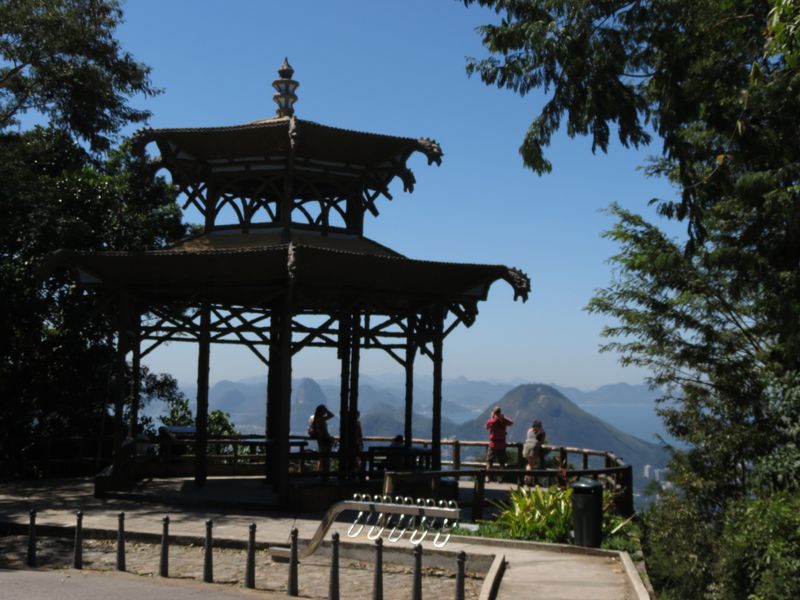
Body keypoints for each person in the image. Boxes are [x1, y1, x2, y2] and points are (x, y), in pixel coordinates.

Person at [484, 406, 513, 479]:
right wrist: (503, 417)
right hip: (501, 444)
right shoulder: (503, 420)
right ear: (500, 412)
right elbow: (511, 423)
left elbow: (486, 427)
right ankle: (500, 477)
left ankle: (488, 476)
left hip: (493, 444)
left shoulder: (492, 420)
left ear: (494, 412)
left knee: (489, 461)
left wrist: (492, 417)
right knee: (502, 462)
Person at [310, 404, 335, 477]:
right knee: (326, 458)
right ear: (321, 411)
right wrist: (327, 410)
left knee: (322, 458)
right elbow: (331, 415)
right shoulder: (320, 419)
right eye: (324, 410)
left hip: (321, 440)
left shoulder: (316, 419)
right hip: (325, 439)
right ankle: (325, 474)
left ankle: (320, 473)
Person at [523, 419, 546, 485]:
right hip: (534, 446)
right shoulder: (542, 432)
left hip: (526, 446)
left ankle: (530, 480)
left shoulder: (529, 430)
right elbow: (542, 441)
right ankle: (527, 479)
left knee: (529, 464)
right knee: (531, 465)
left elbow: (528, 437)